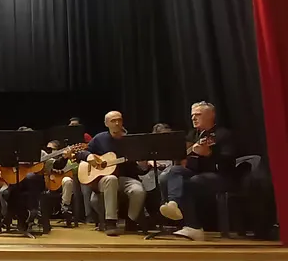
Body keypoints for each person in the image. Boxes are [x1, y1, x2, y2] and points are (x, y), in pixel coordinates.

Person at [159, 102, 236, 241]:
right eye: (192, 115)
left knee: (191, 182)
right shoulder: (192, 134)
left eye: (198, 115)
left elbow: (229, 161)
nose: (193, 118)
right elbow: (183, 157)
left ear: (211, 115)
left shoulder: (223, 134)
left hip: (220, 176)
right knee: (170, 174)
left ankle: (194, 227)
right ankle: (173, 205)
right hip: (197, 173)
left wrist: (209, 154)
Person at [85, 110, 149, 237]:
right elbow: (83, 152)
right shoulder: (99, 139)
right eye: (113, 121)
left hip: (126, 178)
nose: (117, 123)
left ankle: (131, 221)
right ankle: (111, 222)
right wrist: (89, 156)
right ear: (106, 123)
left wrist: (144, 165)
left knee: (138, 191)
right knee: (111, 179)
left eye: (119, 120)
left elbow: (139, 169)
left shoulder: (130, 141)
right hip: (104, 179)